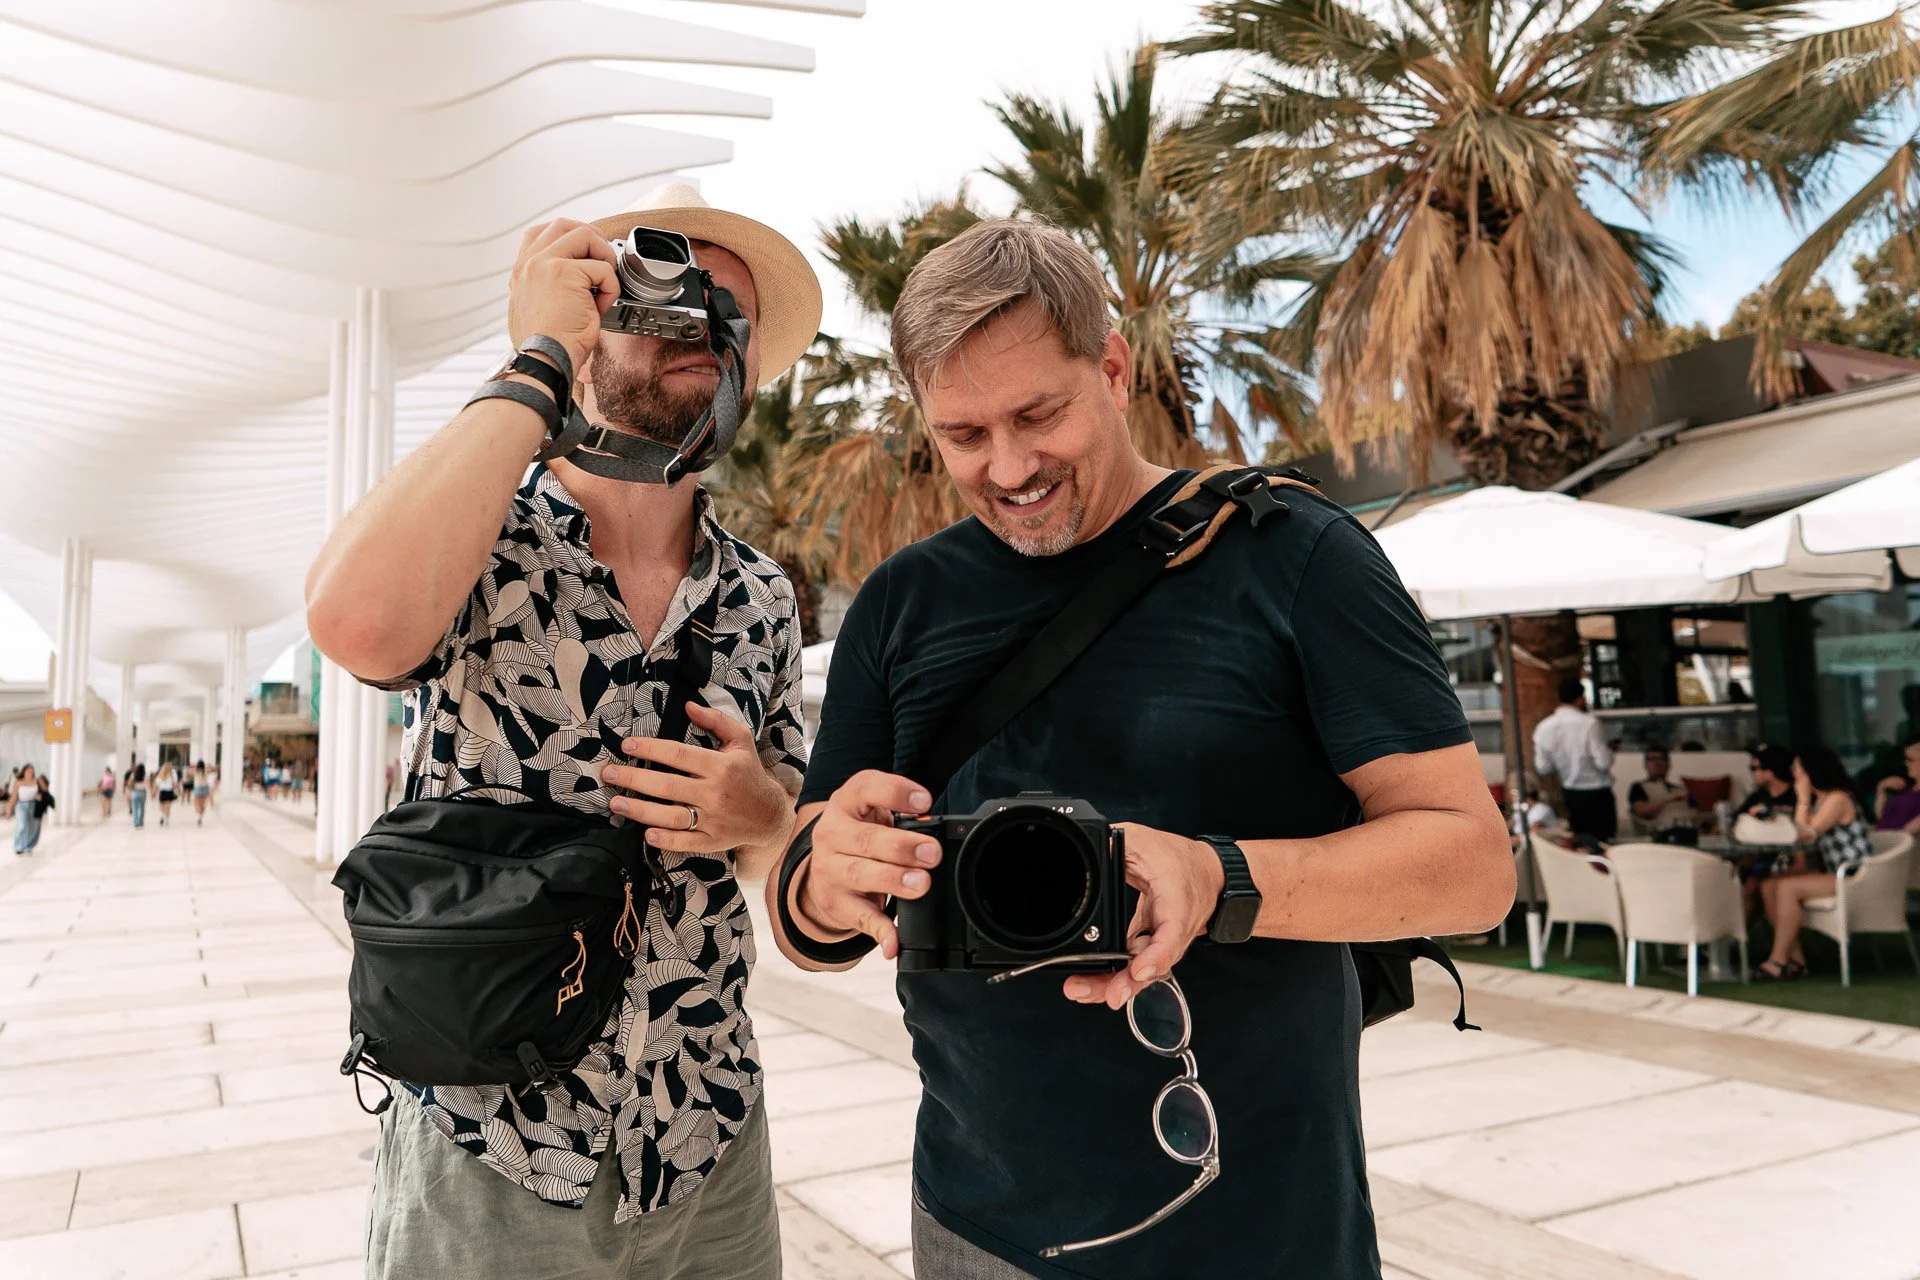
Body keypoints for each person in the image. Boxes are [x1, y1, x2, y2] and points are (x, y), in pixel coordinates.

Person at [770, 221, 1515, 1280]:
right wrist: (820, 882)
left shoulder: (1293, 555)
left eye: (1040, 413)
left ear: (1113, 368)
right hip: (974, 1224)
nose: (1010, 466)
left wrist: (1220, 875)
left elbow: (1476, 867)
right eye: (965, 434)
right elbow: (810, 916)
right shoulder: (899, 603)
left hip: (1260, 1230)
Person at [306, 182, 818, 1280]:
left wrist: (765, 818)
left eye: (728, 312)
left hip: (704, 1135)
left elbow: (794, 860)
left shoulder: (762, 597)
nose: (695, 325)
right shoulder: (486, 533)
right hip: (491, 1142)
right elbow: (353, 622)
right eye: (657, 294)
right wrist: (539, 352)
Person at [1755, 745, 1876, 980]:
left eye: (1797, 769)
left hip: (1855, 874)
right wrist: (1804, 801)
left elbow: (1805, 833)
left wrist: (1801, 798)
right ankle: (1796, 961)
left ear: (1812, 770)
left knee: (1786, 887)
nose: (1793, 773)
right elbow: (1801, 836)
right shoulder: (1820, 801)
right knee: (1768, 885)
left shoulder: (1838, 798)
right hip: (1836, 872)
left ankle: (1777, 960)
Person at [1531, 676, 1617, 841]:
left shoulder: (1544, 727)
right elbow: (1603, 762)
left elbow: (1543, 767)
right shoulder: (1589, 723)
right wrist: (1610, 751)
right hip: (1598, 796)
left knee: (1579, 845)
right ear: (1580, 699)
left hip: (1571, 796)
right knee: (1603, 845)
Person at [1627, 746, 1695, 842]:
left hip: (1690, 834)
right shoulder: (1638, 787)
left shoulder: (1679, 788)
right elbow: (1642, 811)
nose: (1656, 763)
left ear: (1668, 764)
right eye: (1652, 760)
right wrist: (1670, 797)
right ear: (1646, 765)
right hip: (1662, 836)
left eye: (1661, 759)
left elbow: (1697, 813)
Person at [1871, 740, 1920, 835]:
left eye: (1911, 760)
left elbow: (1906, 833)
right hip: (1883, 838)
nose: (1906, 763)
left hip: (1896, 844)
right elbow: (1881, 817)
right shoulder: (1907, 789)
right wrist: (1881, 788)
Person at [8, 764, 47, 855]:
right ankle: (18, 847)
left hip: (34, 805)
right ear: (24, 772)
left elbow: (45, 791)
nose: (30, 772)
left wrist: (40, 794)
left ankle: (28, 847)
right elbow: (14, 797)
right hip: (21, 806)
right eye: (28, 770)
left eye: (31, 770)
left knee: (34, 828)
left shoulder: (37, 781)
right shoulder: (18, 782)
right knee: (21, 826)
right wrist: (9, 810)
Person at [153, 760, 178, 826]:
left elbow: (157, 784)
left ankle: (162, 816)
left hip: (162, 792)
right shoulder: (173, 773)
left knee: (162, 806)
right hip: (169, 791)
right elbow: (175, 784)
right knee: (168, 807)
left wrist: (154, 792)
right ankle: (167, 820)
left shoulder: (161, 774)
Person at [127, 761, 147, 829]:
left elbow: (129, 784)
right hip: (143, 792)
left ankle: (136, 824)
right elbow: (148, 785)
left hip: (135, 792)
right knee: (142, 808)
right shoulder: (145, 775)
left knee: (135, 809)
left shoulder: (133, 774)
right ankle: (141, 822)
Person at [191, 761, 212, 825]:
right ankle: (200, 816)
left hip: (198, 787)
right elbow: (212, 769)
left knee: (197, 803)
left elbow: (189, 771)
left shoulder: (195, 771)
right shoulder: (205, 771)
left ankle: (199, 815)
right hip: (205, 787)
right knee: (203, 804)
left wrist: (193, 766)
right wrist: (207, 766)